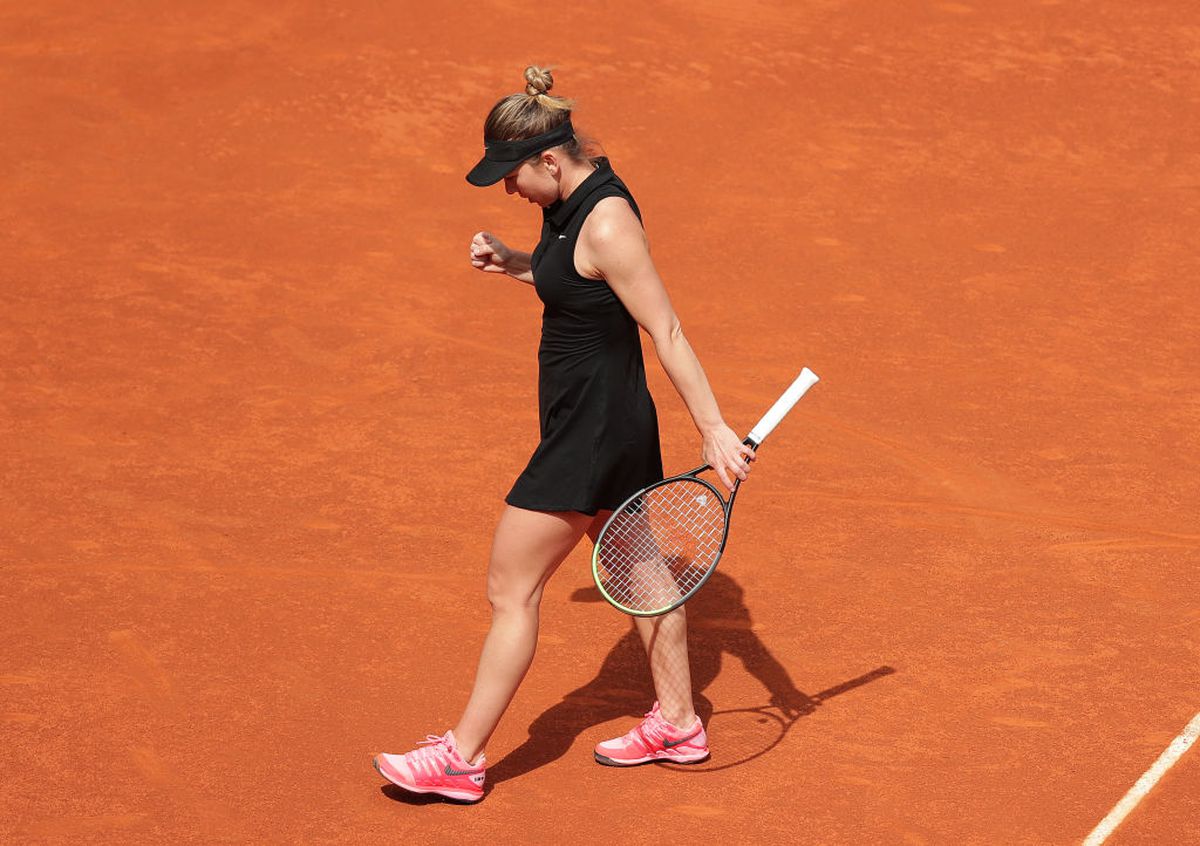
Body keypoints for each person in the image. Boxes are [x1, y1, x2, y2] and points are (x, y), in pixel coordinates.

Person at [373, 65, 754, 803]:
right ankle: (680, 722)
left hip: (591, 430)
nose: (509, 191)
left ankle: (461, 758)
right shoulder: (571, 199)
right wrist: (518, 264)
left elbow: (666, 328)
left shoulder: (606, 221)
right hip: (605, 421)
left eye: (511, 177)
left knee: (510, 589)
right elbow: (581, 282)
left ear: (549, 160)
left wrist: (713, 428)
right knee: (643, 573)